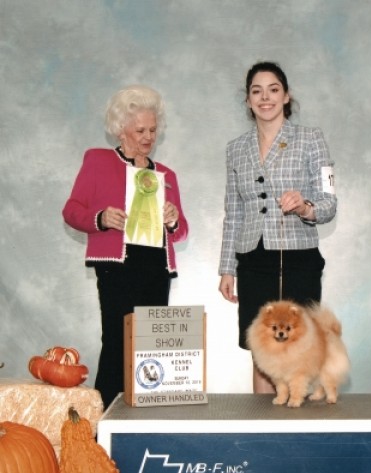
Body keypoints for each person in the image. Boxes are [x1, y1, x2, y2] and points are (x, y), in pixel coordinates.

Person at [63, 85, 188, 408]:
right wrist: (101, 217)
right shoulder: (97, 161)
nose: (148, 137)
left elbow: (182, 230)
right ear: (121, 130)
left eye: (153, 129)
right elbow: (72, 210)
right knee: (117, 344)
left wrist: (173, 220)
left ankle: (147, 422)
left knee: (152, 349)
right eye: (140, 130)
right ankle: (104, 425)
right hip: (116, 266)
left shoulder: (166, 175)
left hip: (156, 268)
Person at [218, 61, 337, 393]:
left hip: (299, 260)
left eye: (273, 90)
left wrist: (304, 206)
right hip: (253, 262)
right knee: (262, 353)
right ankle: (263, 434)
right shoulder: (235, 149)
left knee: (303, 351)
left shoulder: (310, 138)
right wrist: (227, 267)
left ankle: (304, 432)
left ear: (287, 96)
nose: (265, 98)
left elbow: (329, 202)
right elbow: (234, 212)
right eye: (256, 91)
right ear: (247, 100)